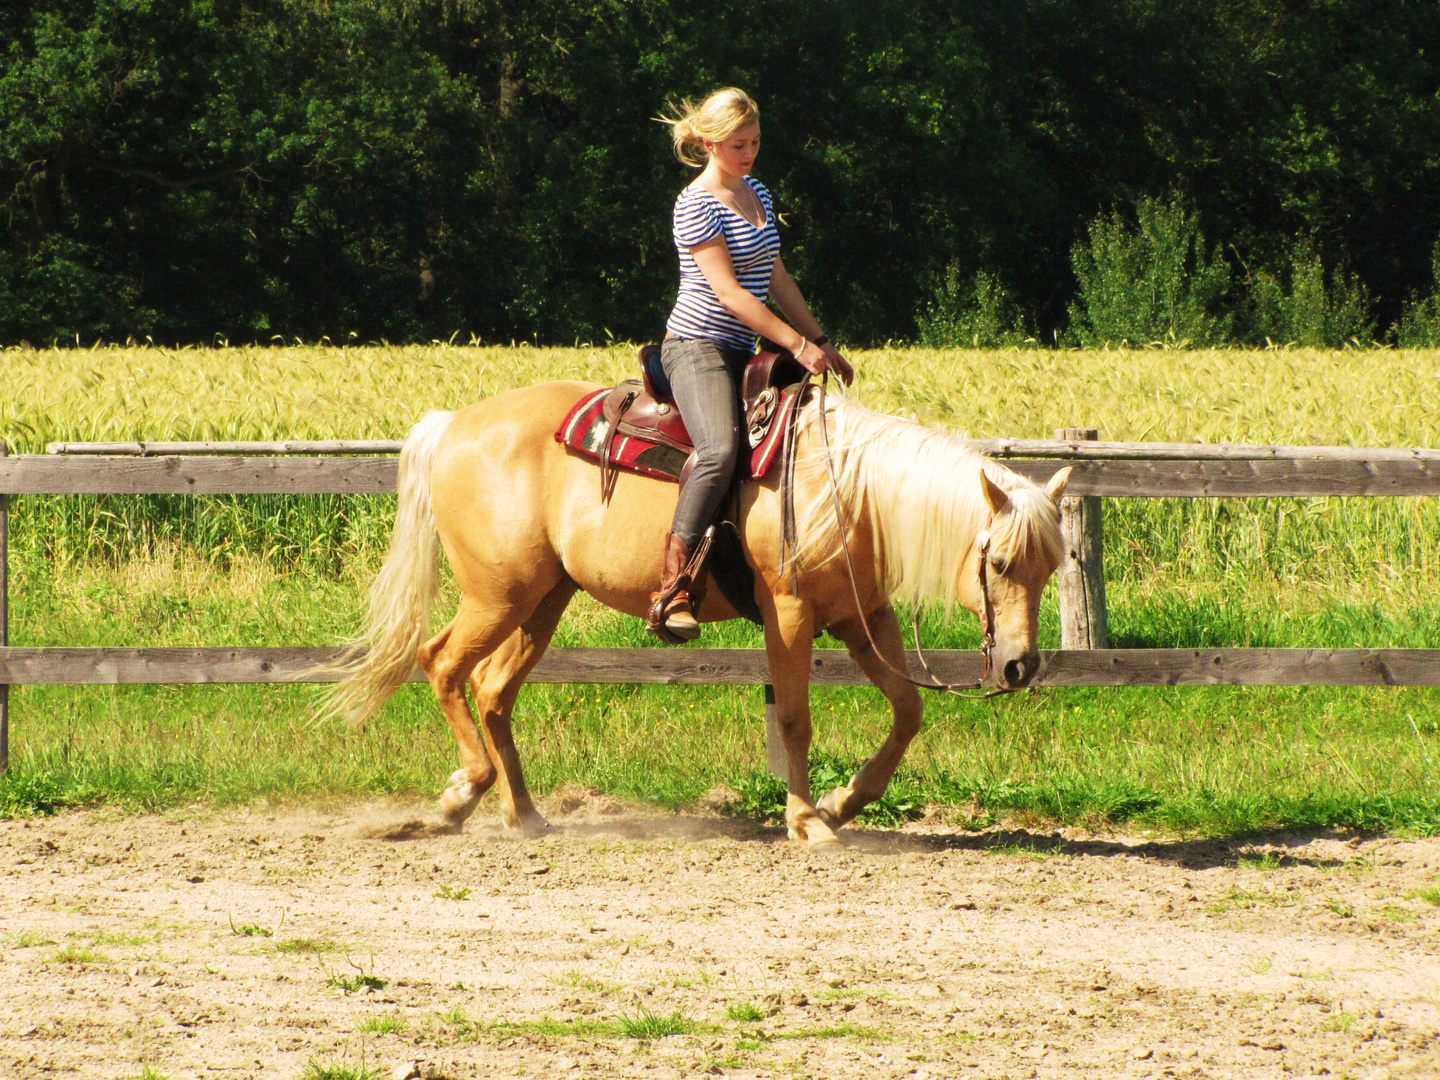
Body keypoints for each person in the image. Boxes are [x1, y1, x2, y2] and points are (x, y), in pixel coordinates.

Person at [648, 87, 854, 643]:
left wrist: (819, 337)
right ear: (710, 142)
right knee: (719, 450)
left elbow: (775, 275)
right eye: (739, 144)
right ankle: (676, 587)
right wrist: (796, 345)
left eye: (756, 142)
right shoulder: (695, 202)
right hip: (697, 345)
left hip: (749, 348)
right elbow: (732, 294)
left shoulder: (756, 191)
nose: (749, 153)